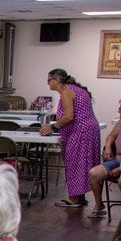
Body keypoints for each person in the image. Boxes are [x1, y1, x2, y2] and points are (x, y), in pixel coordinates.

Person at [40, 68, 101, 207]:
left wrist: (52, 127)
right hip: (88, 130)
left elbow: (69, 116)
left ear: (57, 80)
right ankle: (79, 197)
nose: (48, 83)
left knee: (74, 163)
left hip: (80, 132)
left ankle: (74, 198)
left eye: (49, 80)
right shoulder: (75, 89)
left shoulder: (67, 91)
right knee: (82, 164)